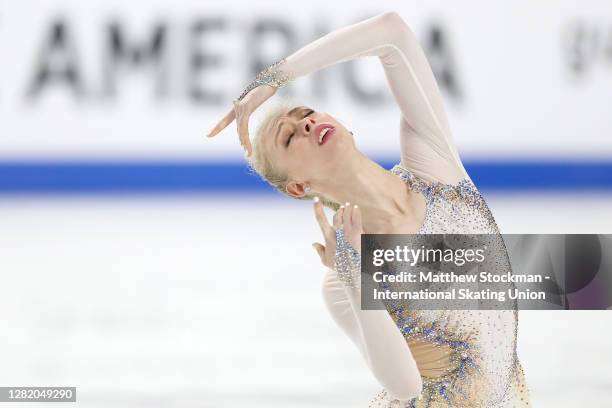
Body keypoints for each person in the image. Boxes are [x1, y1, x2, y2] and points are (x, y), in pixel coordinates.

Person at [207, 11, 531, 407]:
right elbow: (406, 386)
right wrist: (355, 278)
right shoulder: (343, 276)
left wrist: (273, 79)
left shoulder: (434, 166)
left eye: (307, 114)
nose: (306, 125)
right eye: (290, 138)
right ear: (298, 187)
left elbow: (392, 32)